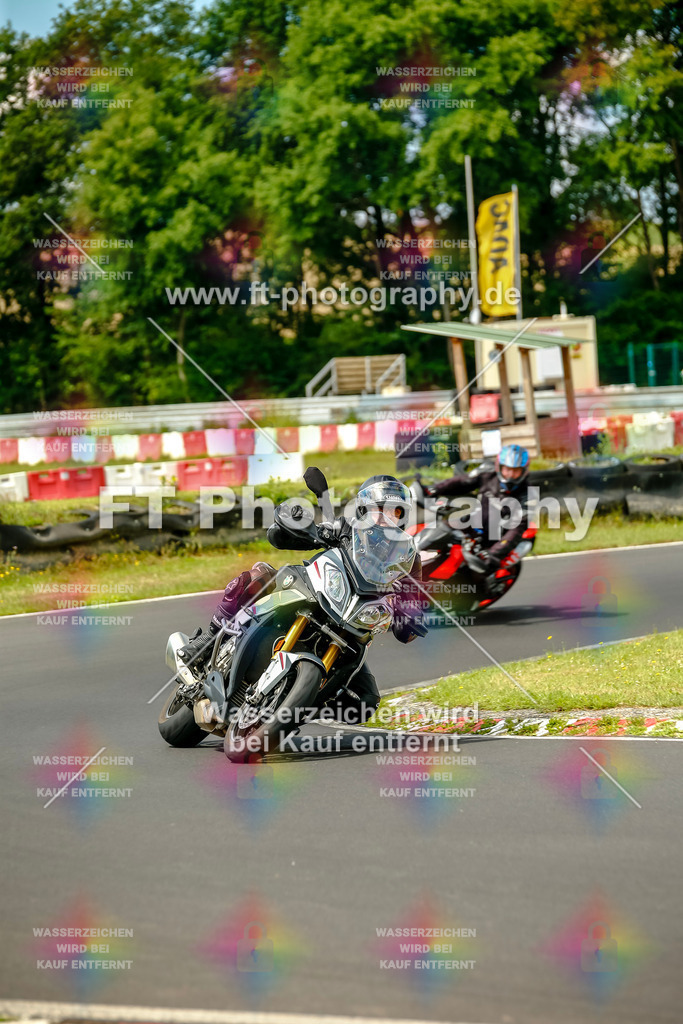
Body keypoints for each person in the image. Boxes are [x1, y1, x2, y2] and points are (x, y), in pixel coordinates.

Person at [178, 474, 428, 724]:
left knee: (365, 701)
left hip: (353, 626)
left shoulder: (409, 558)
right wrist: (302, 528)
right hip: (316, 593)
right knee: (257, 577)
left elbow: (410, 609)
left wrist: (411, 616)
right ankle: (205, 642)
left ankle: (295, 707)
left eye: (395, 511)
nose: (388, 516)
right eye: (380, 509)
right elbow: (284, 536)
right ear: (363, 510)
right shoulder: (347, 528)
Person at [425, 444, 531, 585]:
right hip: (474, 520)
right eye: (507, 470)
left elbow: (516, 530)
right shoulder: (487, 472)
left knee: (475, 574)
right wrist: (436, 489)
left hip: (495, 540)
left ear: (524, 471)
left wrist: (495, 552)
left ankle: (472, 597)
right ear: (499, 467)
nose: (510, 475)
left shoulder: (528, 495)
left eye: (515, 471)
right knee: (441, 529)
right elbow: (462, 481)